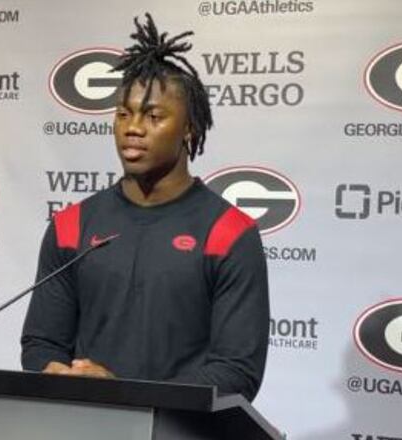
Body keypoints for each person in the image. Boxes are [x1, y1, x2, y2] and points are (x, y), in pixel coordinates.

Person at [21, 13, 269, 400]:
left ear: (190, 129)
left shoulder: (229, 233)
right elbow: (41, 343)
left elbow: (237, 372)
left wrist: (125, 394)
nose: (132, 127)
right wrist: (54, 370)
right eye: (123, 114)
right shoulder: (71, 225)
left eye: (153, 116)